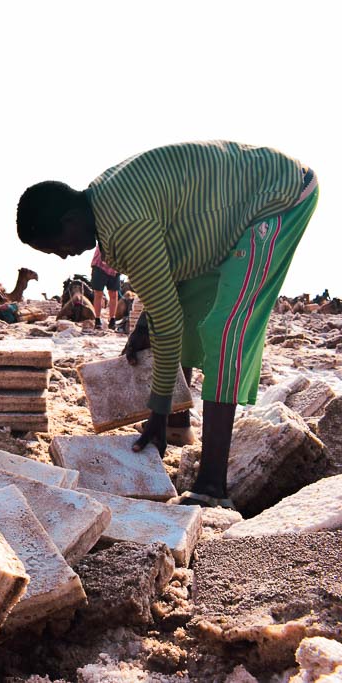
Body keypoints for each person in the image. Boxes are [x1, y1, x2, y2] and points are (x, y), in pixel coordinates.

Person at [16, 141, 318, 509]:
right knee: (187, 309)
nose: (63, 256)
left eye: (56, 247)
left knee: (224, 329)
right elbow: (167, 270)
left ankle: (211, 485)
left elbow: (169, 325)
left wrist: (155, 411)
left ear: (69, 222)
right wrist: (146, 321)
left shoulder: (123, 225)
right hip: (224, 219)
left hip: (277, 197)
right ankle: (179, 424)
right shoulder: (102, 202)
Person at [90, 247, 121, 330]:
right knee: (98, 293)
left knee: (114, 294)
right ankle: (97, 320)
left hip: (115, 267)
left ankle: (112, 320)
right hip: (100, 265)